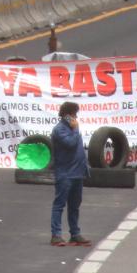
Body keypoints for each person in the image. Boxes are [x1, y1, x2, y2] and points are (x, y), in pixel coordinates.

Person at [50, 101, 91, 247]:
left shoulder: (73, 129)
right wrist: (75, 129)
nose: (75, 117)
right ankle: (56, 235)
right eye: (74, 114)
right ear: (67, 115)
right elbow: (71, 144)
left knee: (75, 206)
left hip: (77, 173)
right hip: (65, 174)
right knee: (59, 205)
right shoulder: (60, 130)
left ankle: (75, 234)